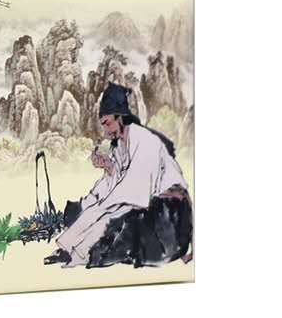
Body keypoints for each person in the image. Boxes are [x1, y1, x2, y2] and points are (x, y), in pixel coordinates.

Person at [44, 82, 192, 268]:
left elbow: (136, 188)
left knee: (108, 217)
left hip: (168, 213)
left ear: (120, 117)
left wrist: (105, 202)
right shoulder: (119, 146)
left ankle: (78, 254)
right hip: (143, 200)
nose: (106, 131)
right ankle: (68, 250)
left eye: (108, 123)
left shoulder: (144, 140)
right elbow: (120, 180)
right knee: (99, 210)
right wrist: (108, 167)